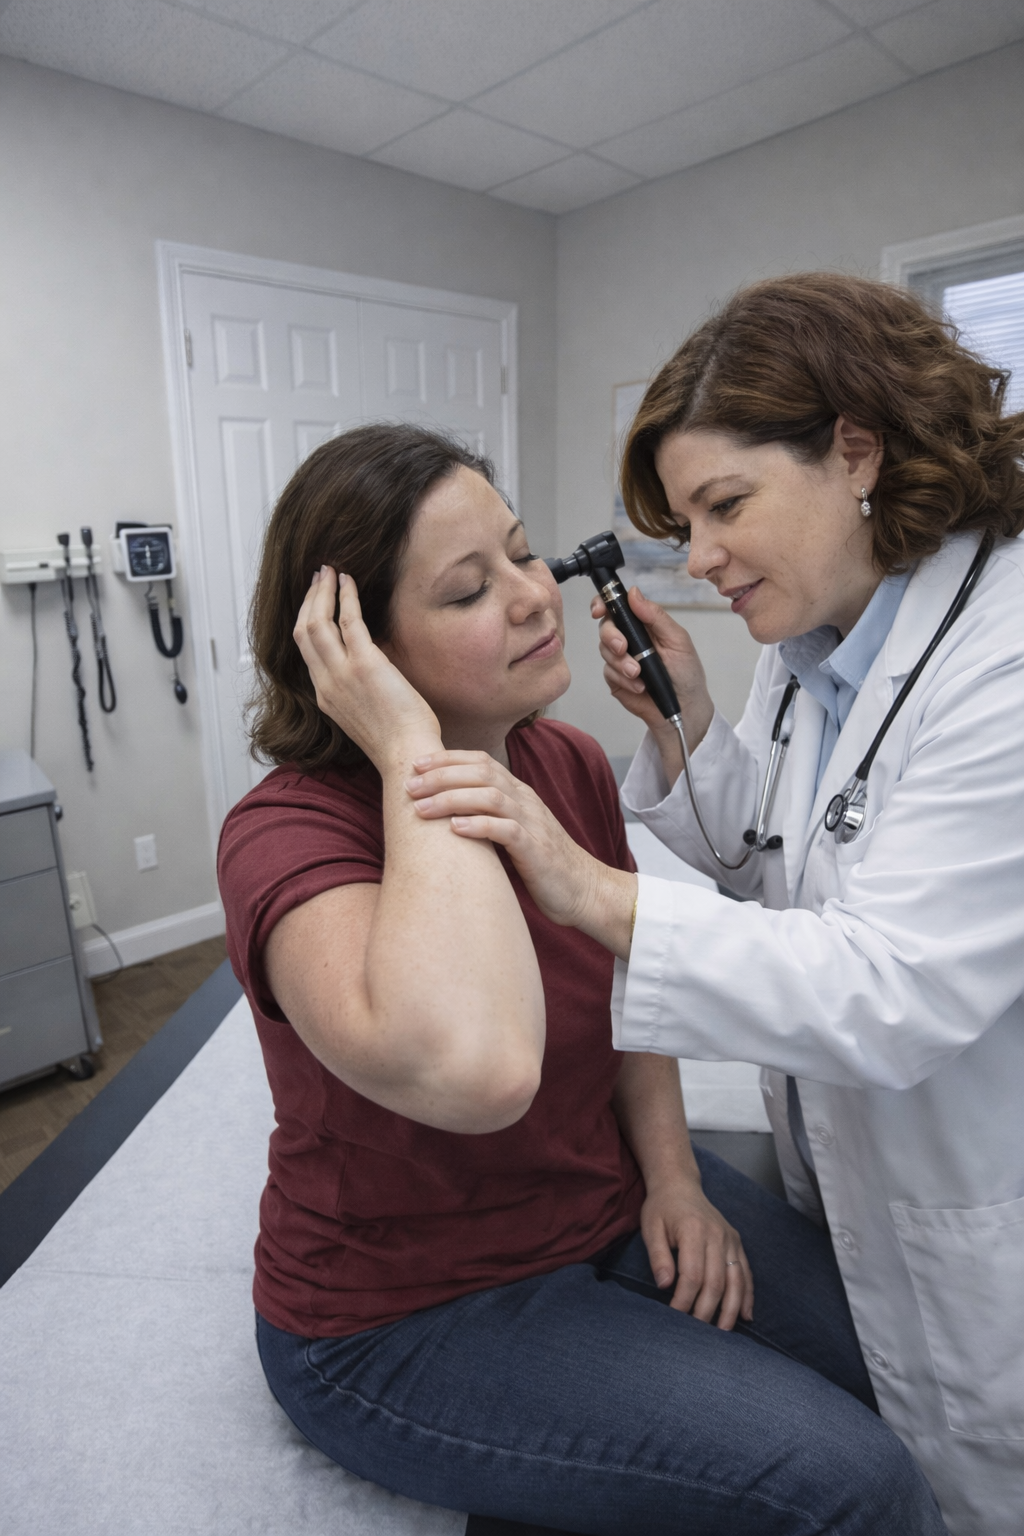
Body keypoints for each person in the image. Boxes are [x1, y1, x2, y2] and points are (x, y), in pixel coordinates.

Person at [217, 422, 946, 1536]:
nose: (529, 597)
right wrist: (416, 755)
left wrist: (672, 1181)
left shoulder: (556, 760)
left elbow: (626, 985)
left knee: (907, 1377)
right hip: (407, 1313)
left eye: (521, 553)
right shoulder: (290, 837)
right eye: (467, 592)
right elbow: (481, 1071)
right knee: (854, 1482)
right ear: (354, 653)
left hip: (602, 1202)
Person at [403, 276, 1024, 1536]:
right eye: (685, 522)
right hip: (844, 1160)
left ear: (856, 449)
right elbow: (780, 861)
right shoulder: (820, 650)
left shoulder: (1000, 658)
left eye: (724, 506)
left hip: (972, 1171)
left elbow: (888, 982)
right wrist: (688, 725)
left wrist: (589, 888)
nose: (698, 559)